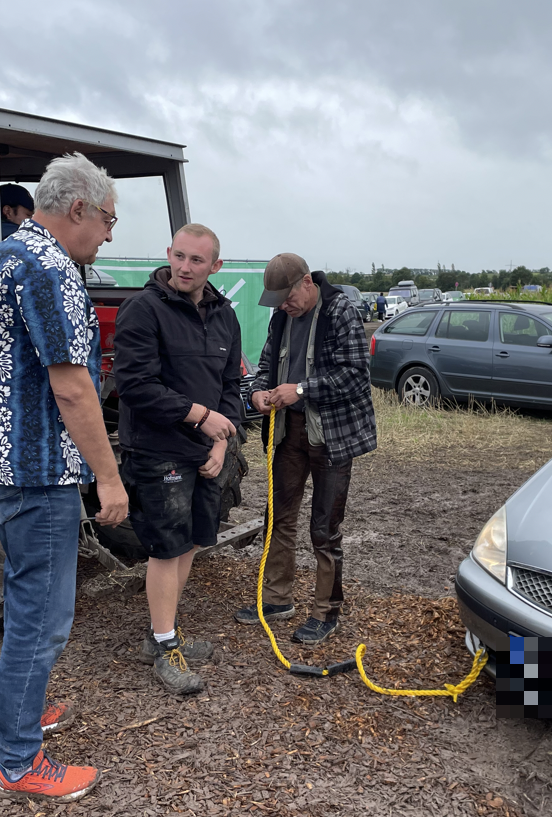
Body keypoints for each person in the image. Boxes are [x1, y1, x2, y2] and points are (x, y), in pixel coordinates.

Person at [0, 152, 128, 802]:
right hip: (37, 466)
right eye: (106, 219)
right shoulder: (51, 270)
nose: (109, 233)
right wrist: (110, 478)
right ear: (77, 209)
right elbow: (73, 389)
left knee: (26, 599)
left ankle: (26, 706)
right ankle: (17, 762)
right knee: (41, 615)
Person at [113, 225, 242, 695]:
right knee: (166, 548)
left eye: (197, 261)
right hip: (158, 448)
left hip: (205, 451)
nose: (185, 268)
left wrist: (222, 440)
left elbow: (231, 386)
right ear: (168, 253)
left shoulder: (225, 316)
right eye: (180, 257)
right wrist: (200, 417)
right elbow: (135, 385)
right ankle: (165, 647)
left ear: (215, 267)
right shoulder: (142, 311)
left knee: (190, 542)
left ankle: (161, 633)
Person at [239, 254, 377, 644]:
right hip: (288, 431)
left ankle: (326, 611)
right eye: (278, 301)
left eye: (287, 297)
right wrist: (259, 393)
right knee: (277, 516)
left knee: (324, 528)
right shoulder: (282, 318)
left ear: (306, 283)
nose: (284, 306)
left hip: (332, 434)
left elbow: (353, 376)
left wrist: (300, 389)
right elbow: (265, 367)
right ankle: (277, 599)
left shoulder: (340, 311)